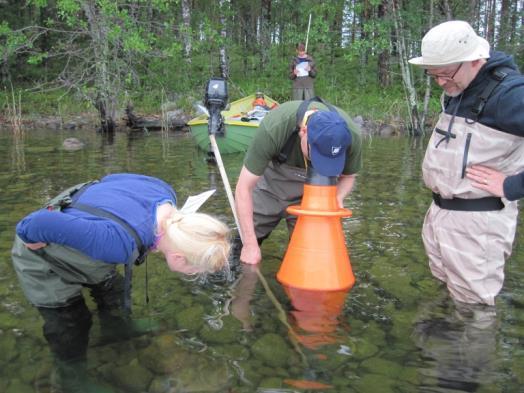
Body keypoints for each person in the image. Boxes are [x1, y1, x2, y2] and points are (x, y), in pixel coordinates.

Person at [11, 173, 230, 389]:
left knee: (113, 290)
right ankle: (71, 378)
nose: (193, 274)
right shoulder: (117, 243)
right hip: (42, 253)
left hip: (92, 230)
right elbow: (31, 224)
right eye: (194, 271)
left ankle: (115, 328)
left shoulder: (165, 192)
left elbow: (111, 179)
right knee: (70, 323)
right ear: (178, 258)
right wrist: (31, 241)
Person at [408, 20, 524, 306]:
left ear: (474, 61)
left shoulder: (510, 95)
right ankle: (443, 349)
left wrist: (511, 185)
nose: (440, 82)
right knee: (450, 298)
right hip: (441, 215)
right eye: (432, 74)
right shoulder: (460, 88)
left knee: (474, 309)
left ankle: (473, 350)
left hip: (478, 223)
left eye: (445, 74)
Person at [234, 98, 362, 265]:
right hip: (271, 188)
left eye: (329, 160)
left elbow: (349, 176)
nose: (319, 163)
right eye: (317, 155)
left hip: (316, 197)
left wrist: (336, 198)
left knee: (310, 260)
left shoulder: (352, 135)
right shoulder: (276, 126)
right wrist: (250, 245)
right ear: (303, 131)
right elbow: (244, 188)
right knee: (239, 252)